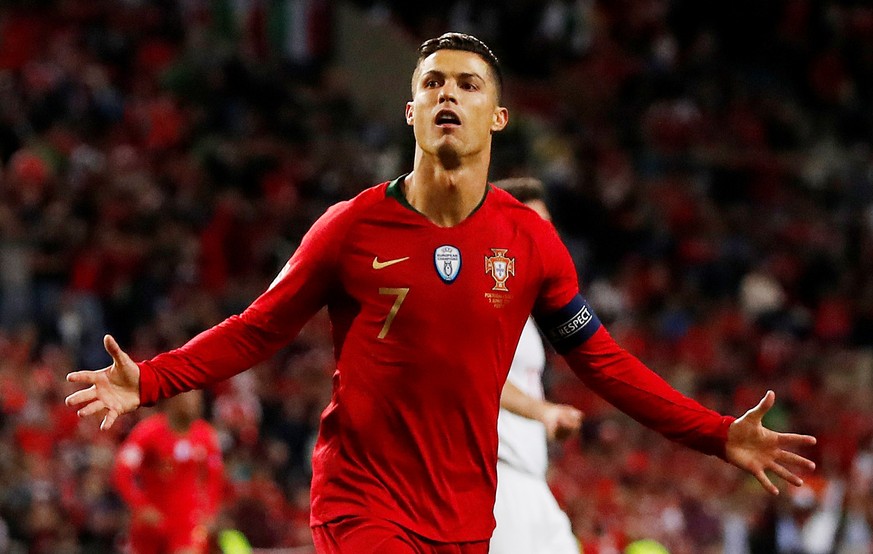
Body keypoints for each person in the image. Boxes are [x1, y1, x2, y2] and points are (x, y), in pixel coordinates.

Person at [66, 32, 816, 553]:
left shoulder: (530, 243)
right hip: (360, 498)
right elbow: (258, 327)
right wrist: (156, 378)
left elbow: (605, 364)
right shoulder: (349, 227)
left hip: (463, 516)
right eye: (431, 83)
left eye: (466, 84)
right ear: (411, 113)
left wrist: (714, 433)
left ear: (496, 116)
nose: (447, 94)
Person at [489, 177, 583, 554]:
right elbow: (480, 377)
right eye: (534, 224)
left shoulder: (522, 307)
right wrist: (542, 411)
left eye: (549, 225)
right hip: (498, 479)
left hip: (529, 480)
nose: (547, 235)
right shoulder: (487, 300)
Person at [112, 390, 224, 554]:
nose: (192, 402)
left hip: (187, 522)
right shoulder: (148, 432)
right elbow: (123, 470)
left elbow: (214, 478)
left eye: (196, 398)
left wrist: (209, 511)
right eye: (187, 397)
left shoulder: (205, 436)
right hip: (152, 522)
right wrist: (140, 505)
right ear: (172, 399)